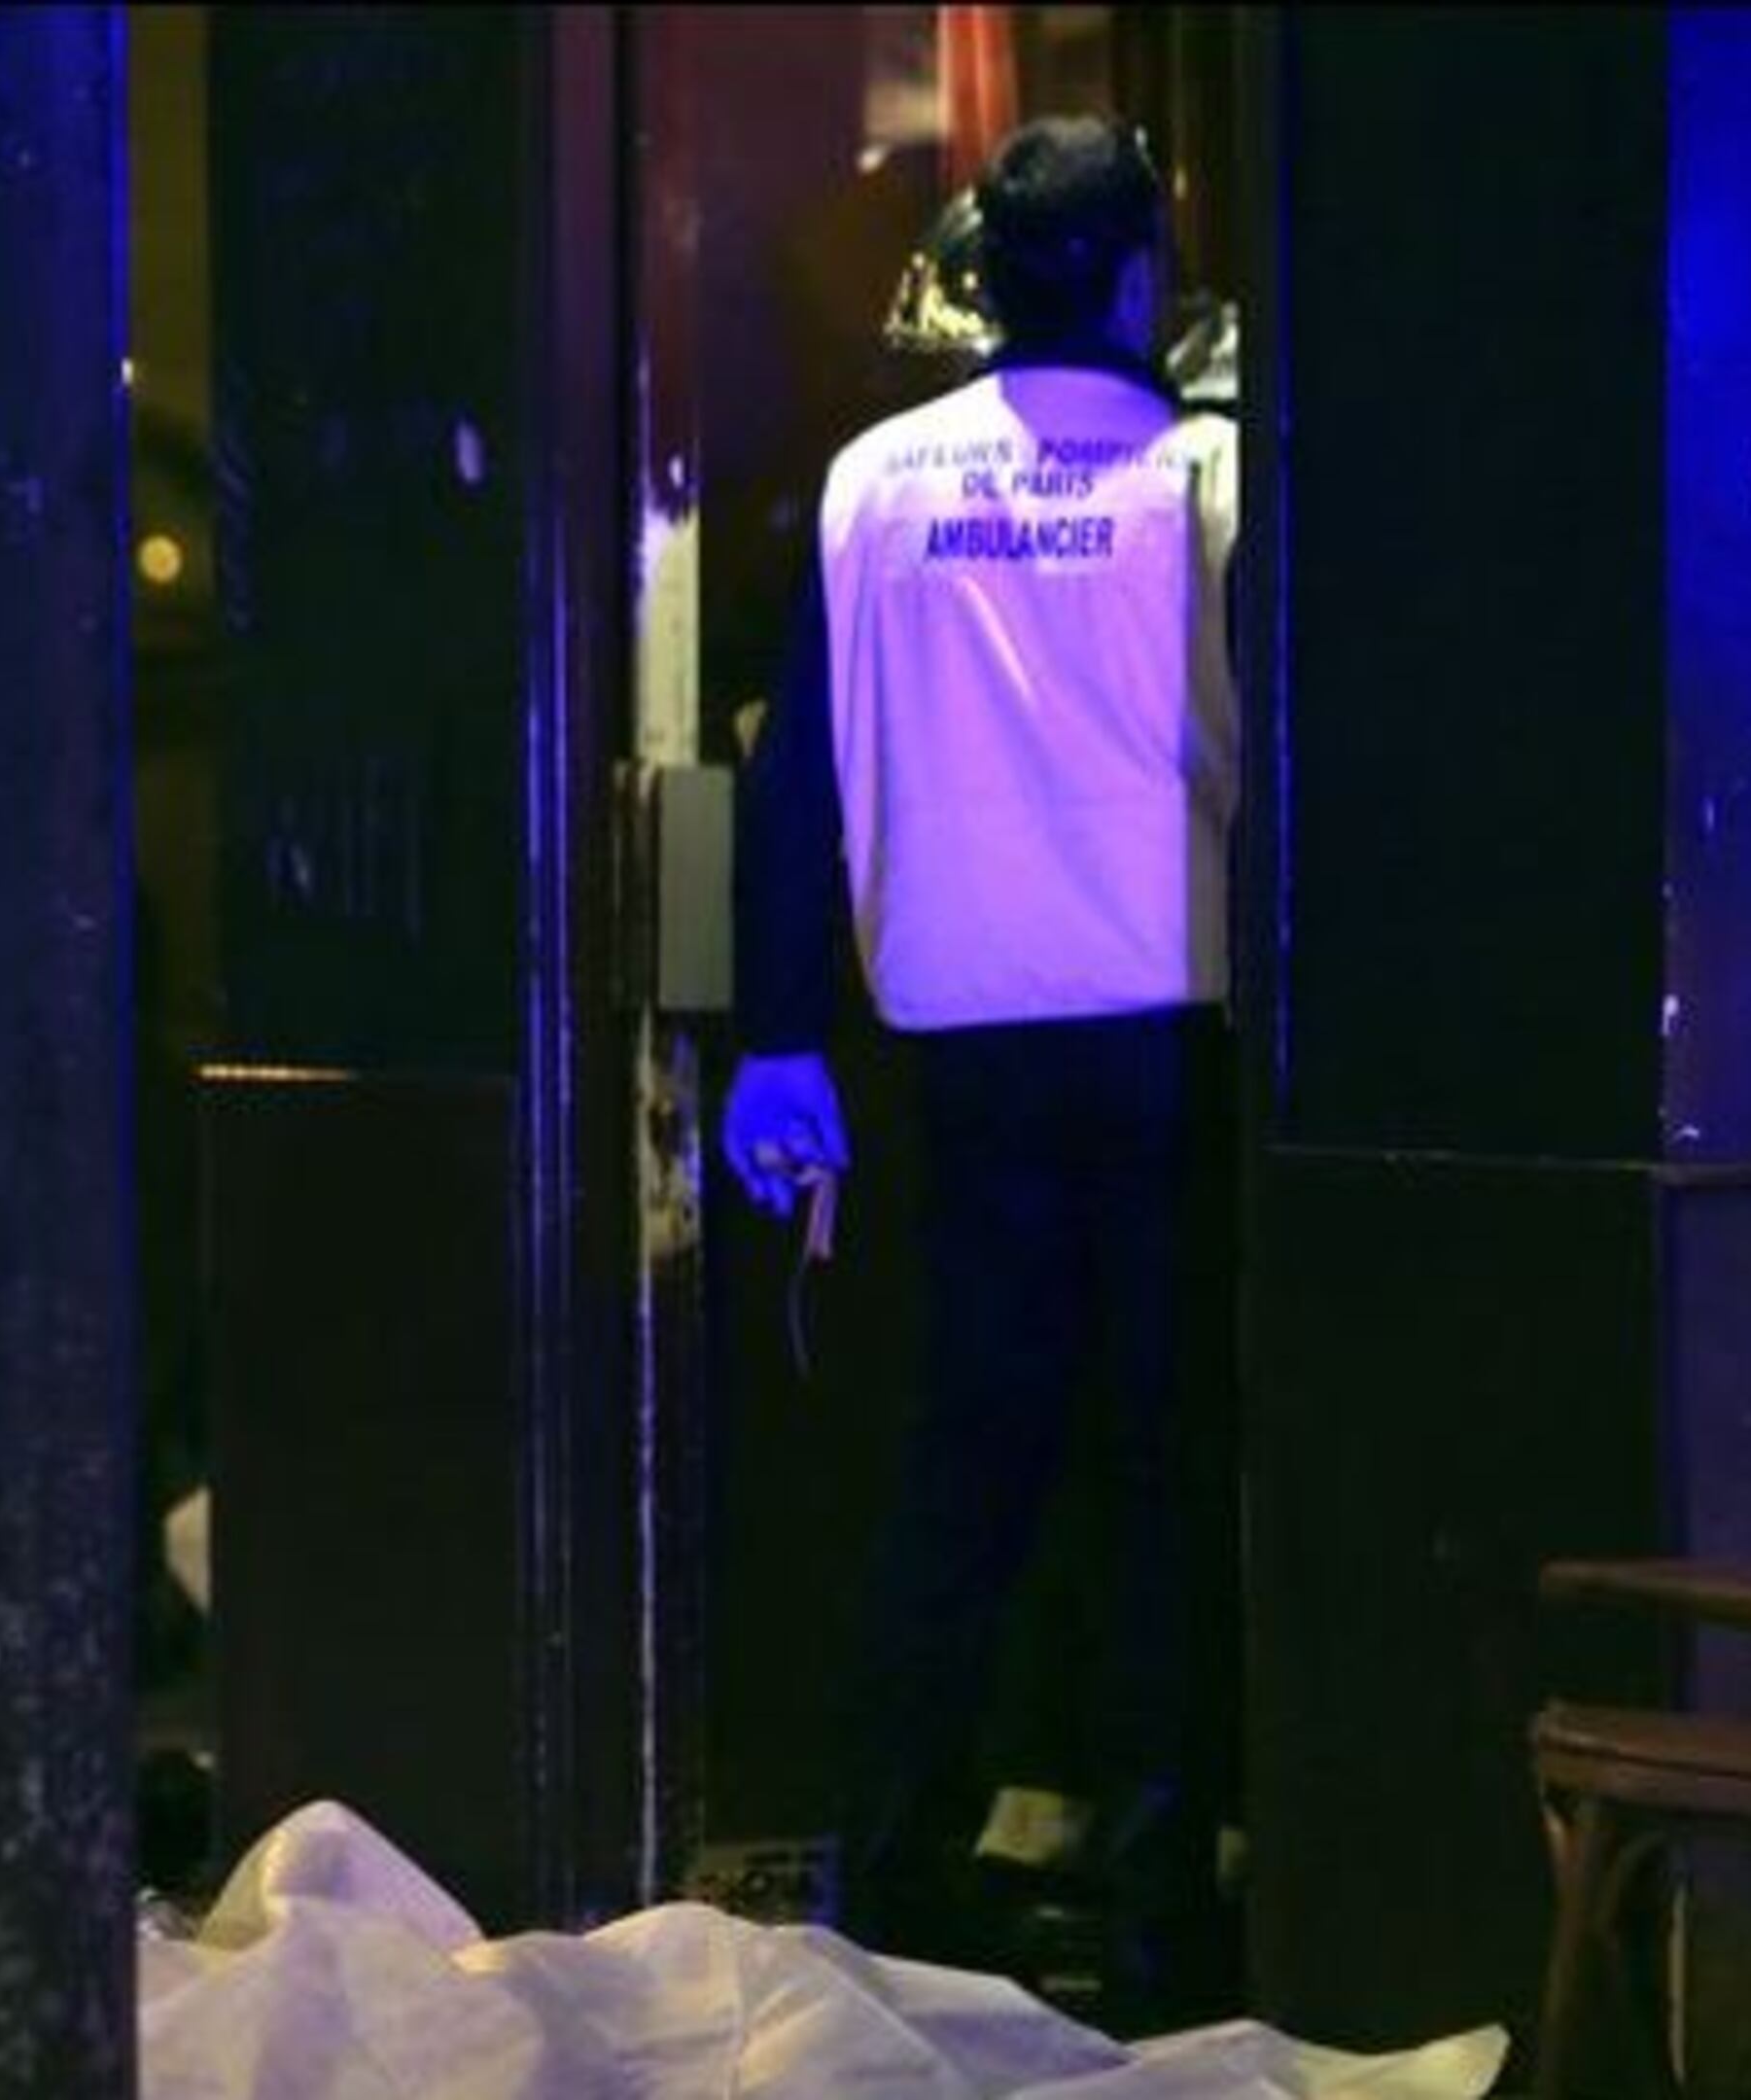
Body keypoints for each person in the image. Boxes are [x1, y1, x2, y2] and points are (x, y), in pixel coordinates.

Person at [721, 114, 1241, 2028]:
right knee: (1163, 1469)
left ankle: (898, 1866)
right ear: (1138, 274)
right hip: (1171, 1035)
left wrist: (781, 1034)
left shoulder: (874, 487)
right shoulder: (1208, 479)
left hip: (952, 1044)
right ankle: (1159, 1887)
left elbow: (798, 780)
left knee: (962, 1465)